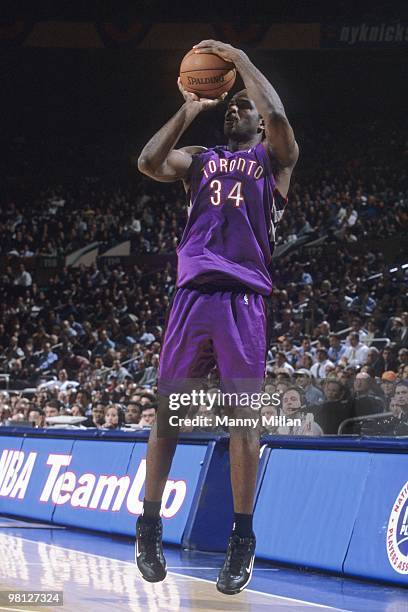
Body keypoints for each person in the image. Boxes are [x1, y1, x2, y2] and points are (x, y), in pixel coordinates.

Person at [137, 39, 299, 594]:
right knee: (168, 418)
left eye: (240, 107)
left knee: (243, 425)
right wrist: (189, 106)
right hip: (192, 299)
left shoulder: (273, 160)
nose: (235, 111)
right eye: (231, 107)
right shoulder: (201, 161)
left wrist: (238, 59)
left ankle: (241, 539)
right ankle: (149, 525)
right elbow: (149, 161)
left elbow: (275, 112)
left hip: (244, 303)